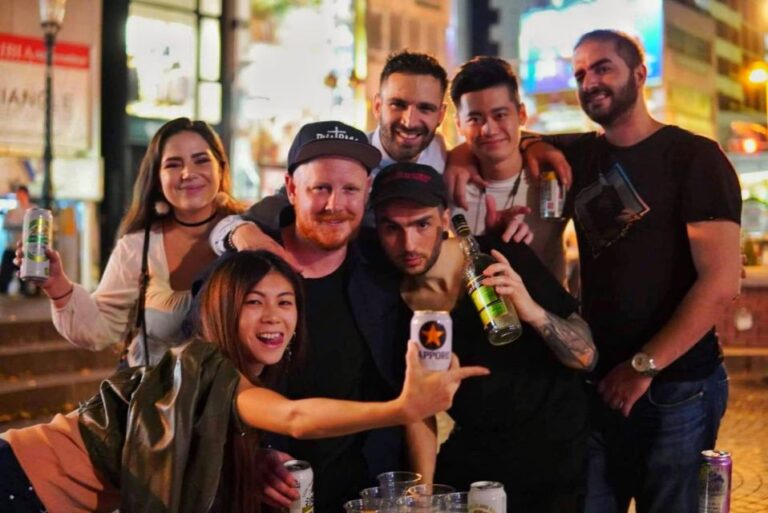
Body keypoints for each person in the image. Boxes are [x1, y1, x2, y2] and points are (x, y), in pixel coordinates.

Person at [458, 30, 741, 513]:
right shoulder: (580, 155)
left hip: (677, 386)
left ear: (640, 73)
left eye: (603, 67)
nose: (590, 82)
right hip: (597, 381)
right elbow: (498, 137)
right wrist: (458, 156)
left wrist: (643, 366)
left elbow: (721, 282)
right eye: (580, 73)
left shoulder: (694, 157)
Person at [0, 250, 488, 513]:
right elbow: (295, 418)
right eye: (253, 302)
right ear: (222, 310)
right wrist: (402, 408)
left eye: (285, 302)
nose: (273, 316)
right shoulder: (207, 365)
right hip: (18, 481)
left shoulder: (222, 380)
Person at [369, 162, 597, 512]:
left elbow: (586, 356)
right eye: (391, 228)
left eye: (422, 224)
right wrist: (423, 495)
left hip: (555, 458)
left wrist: (531, 309)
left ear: (445, 220)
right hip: (478, 459)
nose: (408, 244)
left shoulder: (498, 258)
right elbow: (418, 409)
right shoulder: (390, 303)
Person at [15, 118, 244, 366]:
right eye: (173, 164)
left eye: (201, 160)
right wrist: (56, 285)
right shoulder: (138, 246)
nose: (188, 173)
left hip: (241, 389)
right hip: (157, 389)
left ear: (221, 168)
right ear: (157, 179)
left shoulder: (251, 231)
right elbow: (100, 329)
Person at [449, 56, 567, 283]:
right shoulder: (447, 181)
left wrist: (535, 142)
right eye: (475, 119)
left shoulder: (554, 173)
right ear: (459, 125)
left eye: (500, 115)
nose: (489, 129)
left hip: (547, 306)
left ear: (521, 115)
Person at [1, 186, 34, 295]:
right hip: (11, 247)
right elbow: (5, 226)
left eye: (21, 194)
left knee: (25, 279)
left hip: (26, 250)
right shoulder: (11, 211)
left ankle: (26, 294)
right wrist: (21, 226)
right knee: (5, 276)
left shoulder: (33, 210)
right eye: (17, 195)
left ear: (26, 195)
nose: (19, 197)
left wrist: (17, 226)